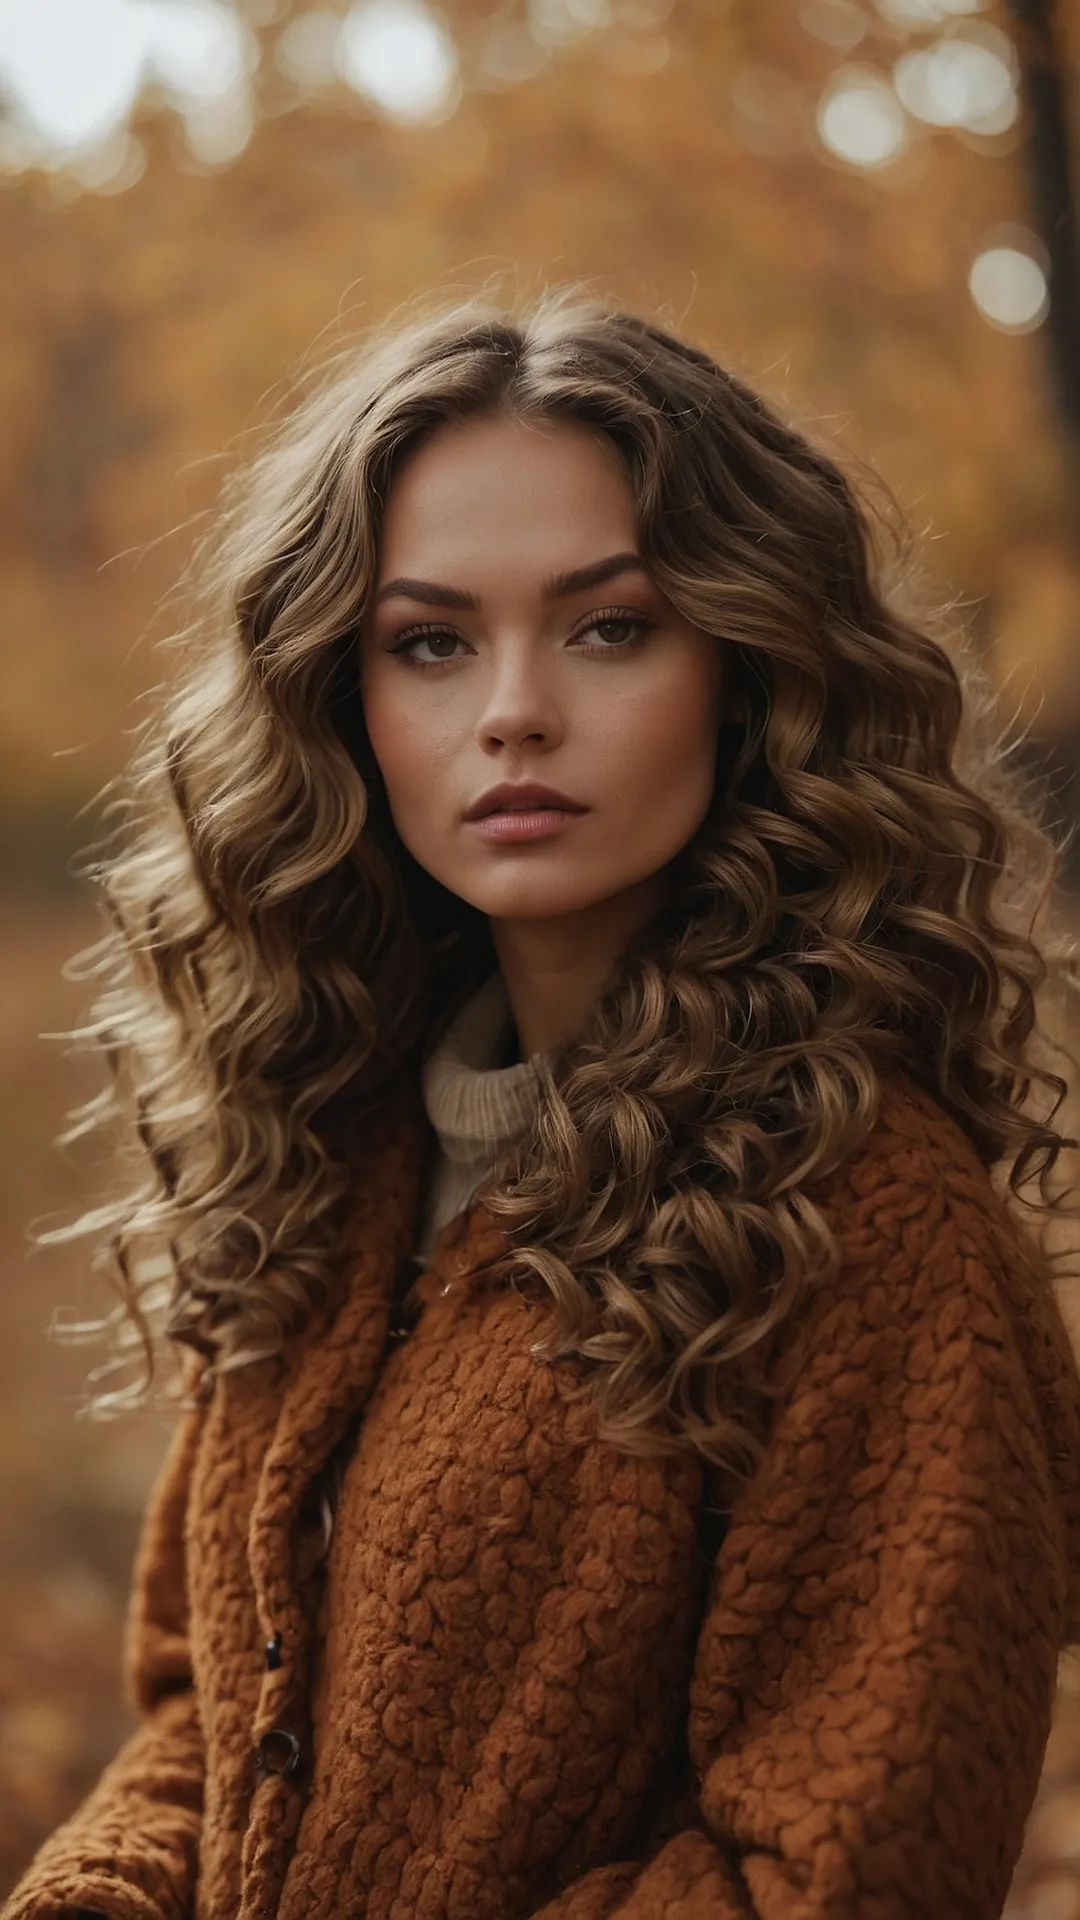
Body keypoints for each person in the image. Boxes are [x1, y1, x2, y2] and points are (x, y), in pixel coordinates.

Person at [6, 285, 1080, 1920]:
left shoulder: (866, 1218)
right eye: (430, 642)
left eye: (608, 625)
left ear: (746, 666)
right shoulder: (341, 1151)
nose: (513, 708)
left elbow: (842, 1872)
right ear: (345, 706)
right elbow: (205, 1718)